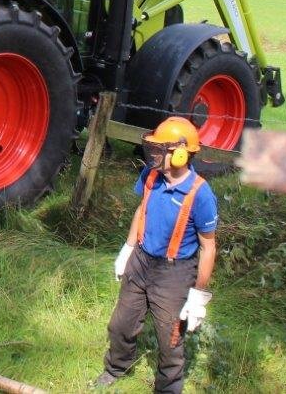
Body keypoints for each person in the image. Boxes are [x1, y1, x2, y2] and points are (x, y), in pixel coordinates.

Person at [91, 117, 218, 393]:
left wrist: (198, 295)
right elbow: (142, 209)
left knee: (170, 339)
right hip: (141, 261)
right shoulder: (150, 175)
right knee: (120, 324)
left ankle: (168, 388)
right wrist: (127, 249)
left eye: (162, 150)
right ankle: (116, 367)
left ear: (182, 153)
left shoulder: (201, 194)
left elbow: (209, 246)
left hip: (175, 273)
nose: (155, 155)